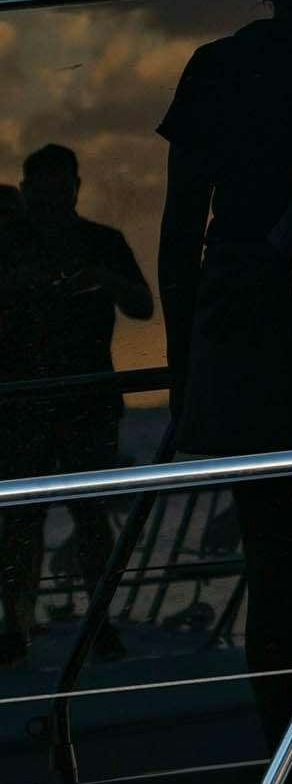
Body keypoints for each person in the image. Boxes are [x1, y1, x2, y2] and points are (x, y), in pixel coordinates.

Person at [157, 0, 292, 784]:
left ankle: (287, 782)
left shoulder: (220, 65)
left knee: (282, 582)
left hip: (251, 346)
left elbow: (182, 231)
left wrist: (188, 378)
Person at [4, 145, 153, 662]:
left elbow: (141, 304)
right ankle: (19, 627)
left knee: (82, 519)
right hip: (28, 406)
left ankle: (91, 623)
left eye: (58, 188)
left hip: (78, 403)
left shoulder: (100, 244)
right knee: (23, 523)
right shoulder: (11, 249)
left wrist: (103, 279)